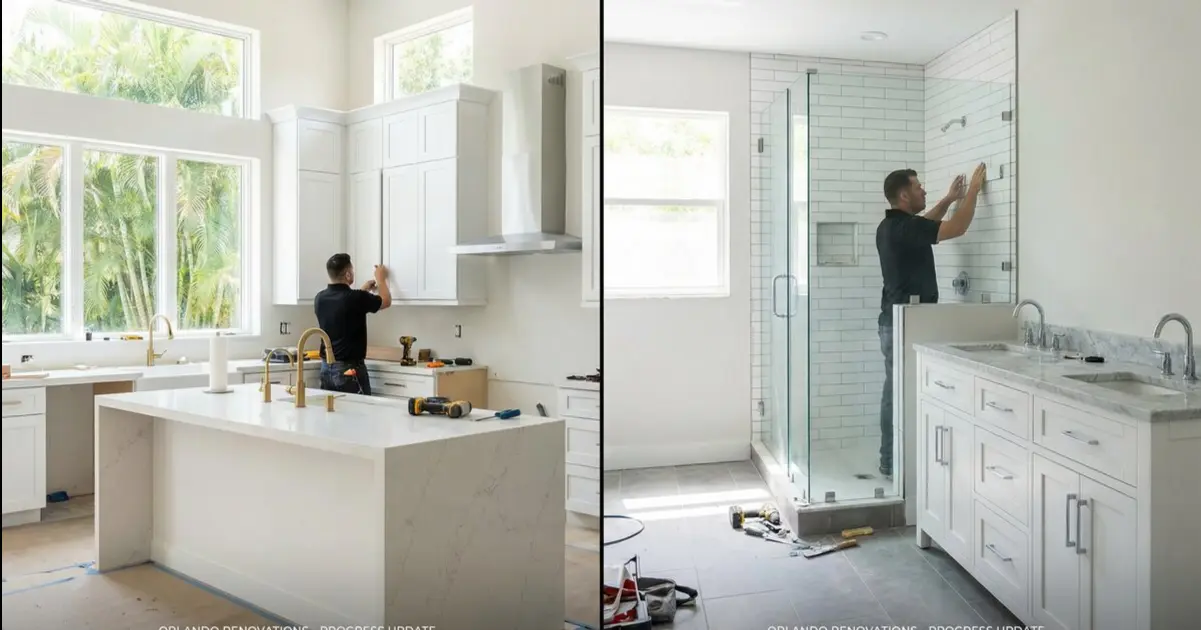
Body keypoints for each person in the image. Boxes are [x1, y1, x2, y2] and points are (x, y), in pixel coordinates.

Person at [875, 163, 987, 478]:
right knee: (897, 393)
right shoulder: (904, 228)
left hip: (895, 319)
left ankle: (892, 458)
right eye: (918, 186)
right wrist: (973, 192)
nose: (924, 190)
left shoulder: (892, 227)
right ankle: (894, 460)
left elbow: (926, 224)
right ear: (903, 194)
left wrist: (950, 198)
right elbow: (958, 227)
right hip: (905, 320)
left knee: (894, 390)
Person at [313, 254, 392, 394]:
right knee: (359, 413)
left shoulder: (320, 298)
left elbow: (345, 305)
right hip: (349, 369)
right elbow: (386, 301)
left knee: (333, 413)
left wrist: (364, 290)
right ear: (348, 274)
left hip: (326, 369)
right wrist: (381, 279)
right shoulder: (356, 299)